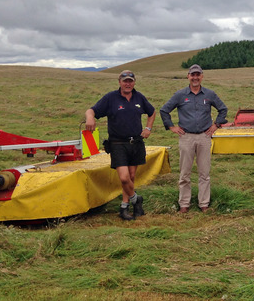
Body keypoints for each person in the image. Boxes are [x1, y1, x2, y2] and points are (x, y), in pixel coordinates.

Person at [85, 70, 156, 221]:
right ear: (119, 82)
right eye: (125, 81)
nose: (128, 84)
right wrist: (90, 118)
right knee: (124, 178)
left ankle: (124, 207)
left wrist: (148, 128)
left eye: (130, 81)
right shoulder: (111, 98)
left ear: (134, 82)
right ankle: (136, 199)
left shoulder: (139, 97)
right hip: (118, 143)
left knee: (131, 176)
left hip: (136, 142)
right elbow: (92, 110)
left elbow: (152, 112)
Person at [160, 64, 228, 213]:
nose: (195, 77)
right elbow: (164, 110)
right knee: (185, 173)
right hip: (186, 137)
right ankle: (184, 204)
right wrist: (172, 127)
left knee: (205, 173)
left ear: (202, 76)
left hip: (205, 137)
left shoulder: (209, 94)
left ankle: (204, 203)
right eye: (193, 75)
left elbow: (223, 109)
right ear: (188, 76)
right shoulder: (180, 95)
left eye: (198, 75)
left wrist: (216, 125)